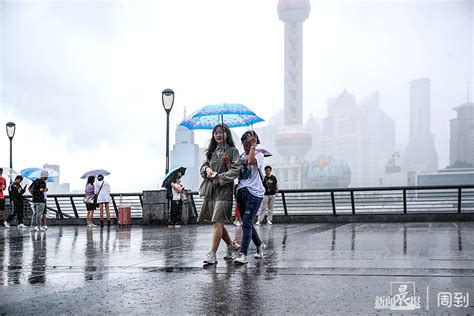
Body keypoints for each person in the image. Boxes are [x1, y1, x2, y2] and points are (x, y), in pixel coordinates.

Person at [198, 124, 242, 265]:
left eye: (221, 132)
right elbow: (203, 167)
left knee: (217, 221)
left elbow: (236, 170)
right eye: (216, 133)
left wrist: (221, 176)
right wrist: (208, 170)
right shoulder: (211, 152)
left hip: (225, 191)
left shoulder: (232, 151)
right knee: (217, 223)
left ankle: (212, 254)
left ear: (227, 134)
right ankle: (231, 246)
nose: (218, 135)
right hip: (211, 191)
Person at [234, 130, 266, 264]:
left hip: (255, 193)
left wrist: (253, 146)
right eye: (244, 144)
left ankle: (243, 254)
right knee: (247, 223)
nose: (246, 147)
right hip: (241, 192)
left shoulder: (259, 155)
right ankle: (259, 245)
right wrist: (227, 162)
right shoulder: (241, 156)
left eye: (249, 144)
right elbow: (235, 171)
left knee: (247, 223)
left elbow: (252, 161)